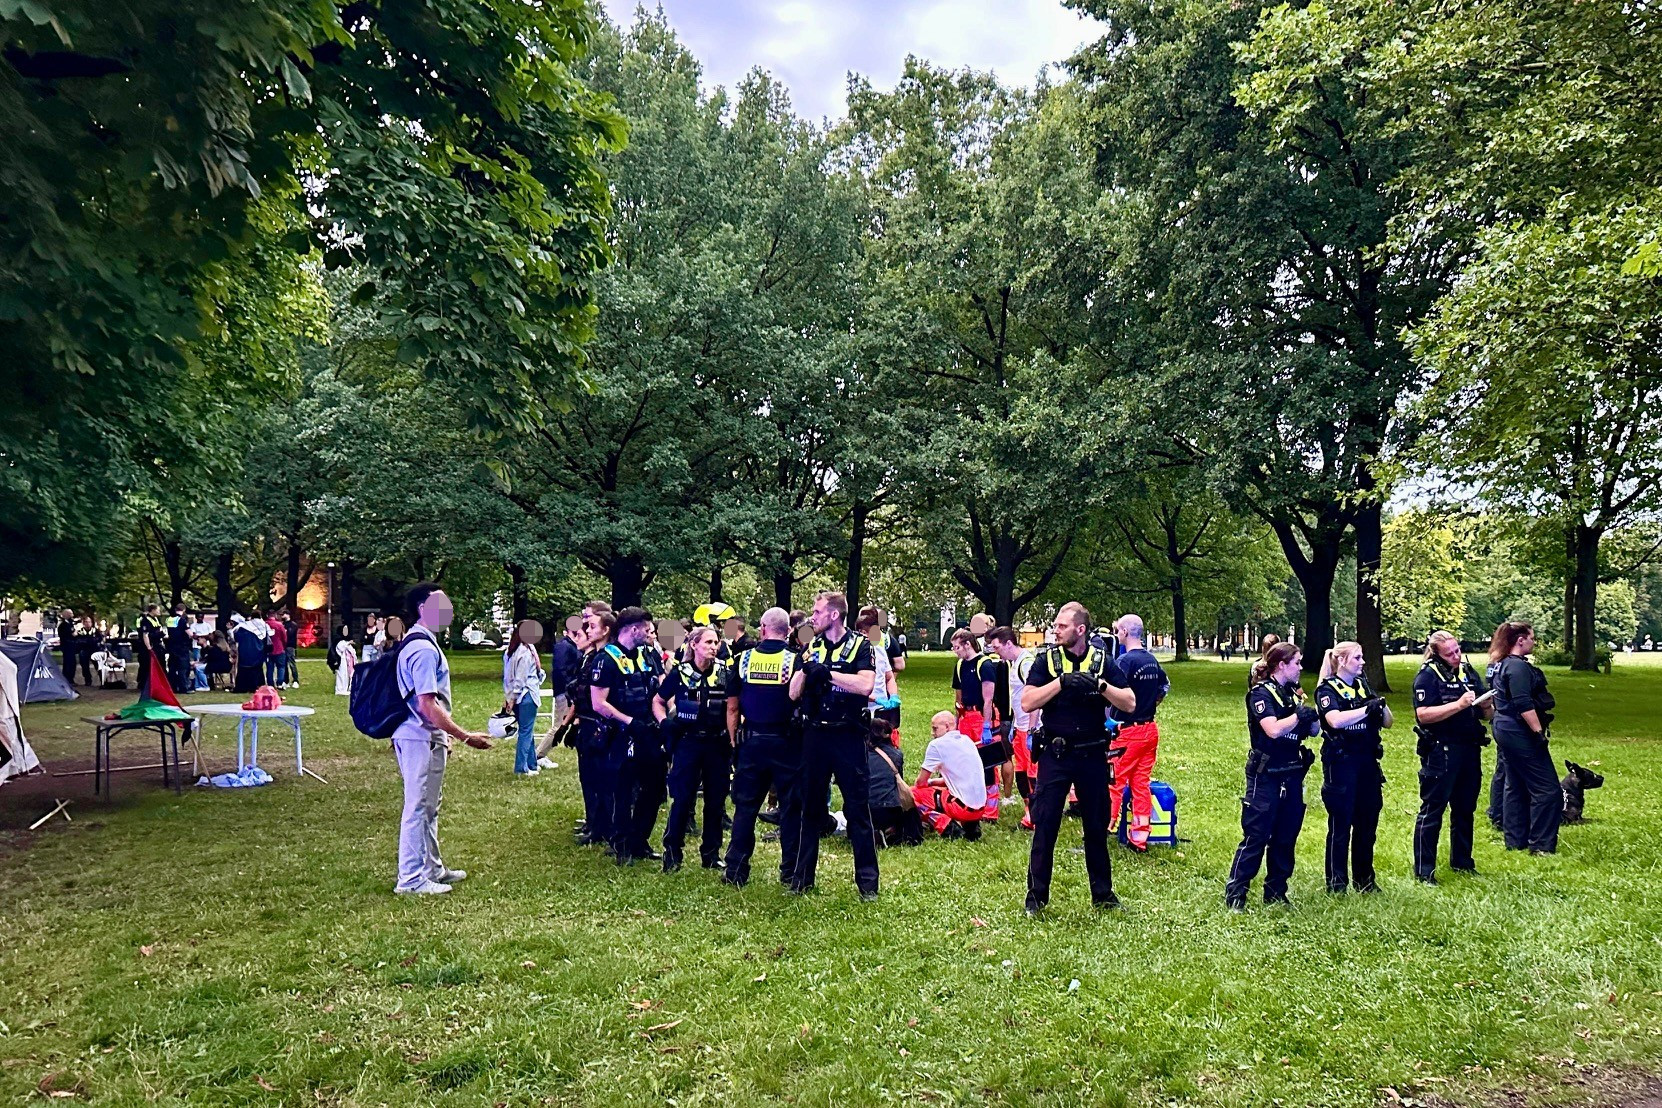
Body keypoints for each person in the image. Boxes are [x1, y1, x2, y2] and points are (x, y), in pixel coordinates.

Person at [1020, 602, 1126, 915]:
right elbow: (1027, 702)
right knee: (1046, 825)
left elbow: (1130, 701)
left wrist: (1101, 685)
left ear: (1080, 630)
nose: (1056, 630)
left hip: (1092, 753)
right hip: (1056, 753)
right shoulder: (1047, 660)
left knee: (1095, 827)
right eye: (1056, 625)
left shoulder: (1102, 661)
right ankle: (1036, 899)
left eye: (1062, 626)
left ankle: (1103, 895)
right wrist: (1061, 683)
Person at [391, 583, 492, 895]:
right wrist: (463, 736)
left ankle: (432, 868)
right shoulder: (421, 648)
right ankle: (410, 880)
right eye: (442, 605)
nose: (449, 611)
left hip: (426, 737)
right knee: (417, 806)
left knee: (429, 806)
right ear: (423, 608)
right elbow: (427, 704)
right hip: (418, 736)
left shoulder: (422, 642)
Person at [788, 591, 879, 899]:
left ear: (834, 615)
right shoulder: (810, 646)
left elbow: (865, 685)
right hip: (814, 734)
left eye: (817, 612)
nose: (813, 617)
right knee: (810, 808)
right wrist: (805, 671)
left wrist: (829, 675)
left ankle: (867, 884)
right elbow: (792, 693)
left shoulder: (860, 646)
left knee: (857, 808)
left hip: (846, 734)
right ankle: (802, 879)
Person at [1225, 641, 1322, 910]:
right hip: (1266, 773)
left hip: (1292, 770)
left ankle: (1277, 892)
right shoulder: (1261, 694)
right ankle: (1236, 894)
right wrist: (1296, 718)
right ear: (1281, 665)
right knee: (1257, 833)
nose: (1301, 668)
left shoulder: (1292, 694)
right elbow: (1273, 729)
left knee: (1286, 835)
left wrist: (1311, 715)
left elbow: (1314, 732)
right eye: (1297, 663)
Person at [723, 607, 806, 887]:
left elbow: (732, 707)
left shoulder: (743, 660)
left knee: (745, 808)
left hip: (753, 741)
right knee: (790, 810)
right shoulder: (795, 661)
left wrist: (735, 740)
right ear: (788, 631)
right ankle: (791, 872)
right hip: (787, 742)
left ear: (763, 627)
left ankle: (735, 870)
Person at [1412, 630, 1493, 882]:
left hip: (1469, 747)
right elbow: (1423, 714)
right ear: (1437, 654)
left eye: (1457, 650)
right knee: (1433, 808)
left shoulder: (1467, 672)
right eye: (1450, 653)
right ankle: (1425, 871)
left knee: (1465, 807)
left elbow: (1487, 714)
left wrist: (1486, 704)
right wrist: (1458, 704)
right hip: (1441, 749)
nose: (1456, 656)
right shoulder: (1427, 676)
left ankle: (1462, 862)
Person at [589, 606, 667, 865]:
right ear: (633, 629)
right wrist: (629, 722)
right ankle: (621, 845)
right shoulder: (605, 659)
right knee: (621, 791)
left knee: (655, 789)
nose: (649, 633)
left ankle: (639, 840)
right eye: (646, 629)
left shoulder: (649, 655)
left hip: (649, 731)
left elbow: (661, 686)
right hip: (620, 733)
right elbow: (599, 703)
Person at [654, 625, 734, 871]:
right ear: (694, 645)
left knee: (716, 800)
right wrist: (665, 722)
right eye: (708, 642)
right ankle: (672, 853)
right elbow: (657, 701)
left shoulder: (725, 673)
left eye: (716, 642)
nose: (713, 647)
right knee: (682, 798)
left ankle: (710, 854)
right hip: (688, 742)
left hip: (717, 743)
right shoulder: (680, 673)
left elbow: (734, 707)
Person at [1315, 641, 1392, 893]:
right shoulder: (1327, 690)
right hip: (1341, 761)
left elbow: (1389, 722)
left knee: (1367, 822)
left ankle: (1365, 879)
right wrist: (1364, 710)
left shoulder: (1362, 687)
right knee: (1341, 823)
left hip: (1367, 761)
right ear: (1342, 661)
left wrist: (1378, 704)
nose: (1362, 662)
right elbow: (1334, 720)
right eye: (1357, 658)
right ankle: (1336, 882)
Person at [1488, 621, 1560, 854]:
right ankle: (1540, 845)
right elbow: (1523, 703)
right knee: (1547, 789)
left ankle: (1515, 839)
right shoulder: (1517, 668)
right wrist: (1538, 732)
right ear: (1520, 640)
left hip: (1503, 726)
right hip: (1518, 730)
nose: (1534, 641)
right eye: (1531, 637)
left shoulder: (1500, 664)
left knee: (1515, 784)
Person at [1104, 615, 1170, 852]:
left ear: (1123, 632)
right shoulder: (1152, 660)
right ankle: (1139, 838)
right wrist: (1150, 704)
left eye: (1117, 630)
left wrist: (1108, 719)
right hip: (1149, 729)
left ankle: (1100, 833)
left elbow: (1113, 693)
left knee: (1112, 782)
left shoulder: (1125, 661)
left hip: (1127, 732)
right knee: (1140, 783)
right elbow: (1164, 687)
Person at [571, 605, 617, 847]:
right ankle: (595, 824)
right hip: (586, 723)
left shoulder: (606, 657)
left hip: (599, 725)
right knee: (589, 777)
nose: (586, 629)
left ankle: (605, 828)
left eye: (591, 625)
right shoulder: (592, 656)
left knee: (601, 779)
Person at [987, 626, 1040, 829]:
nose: (996, 651)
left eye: (997, 647)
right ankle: (1029, 813)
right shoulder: (1013, 663)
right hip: (1020, 726)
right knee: (1021, 771)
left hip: (1029, 728)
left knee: (1032, 774)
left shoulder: (1026, 664)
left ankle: (1036, 815)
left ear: (1009, 643)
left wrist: (1033, 729)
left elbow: (1034, 697)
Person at [913, 710, 991, 836]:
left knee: (912, 794)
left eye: (935, 729)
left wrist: (928, 783)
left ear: (947, 727)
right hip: (980, 809)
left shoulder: (937, 745)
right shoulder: (967, 741)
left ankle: (945, 825)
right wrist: (933, 782)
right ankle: (971, 825)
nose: (932, 733)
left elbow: (920, 783)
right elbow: (959, 779)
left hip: (960, 808)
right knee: (941, 789)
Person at [538, 615, 585, 771]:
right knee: (559, 724)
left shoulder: (572, 645)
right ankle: (538, 755)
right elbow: (560, 670)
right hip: (565, 692)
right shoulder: (564, 646)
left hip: (568, 690)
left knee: (563, 723)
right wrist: (568, 691)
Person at [503, 619, 546, 777]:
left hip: (520, 696)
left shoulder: (514, 650)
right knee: (525, 732)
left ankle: (531, 764)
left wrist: (509, 696)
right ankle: (521, 767)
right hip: (526, 695)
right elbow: (520, 680)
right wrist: (512, 698)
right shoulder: (525, 652)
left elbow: (508, 677)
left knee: (528, 730)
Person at [857, 607, 901, 742]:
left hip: (882, 711)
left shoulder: (880, 651)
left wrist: (893, 695)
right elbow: (856, 687)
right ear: (863, 633)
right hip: (863, 709)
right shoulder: (854, 655)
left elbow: (889, 678)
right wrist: (874, 698)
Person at [231, 614, 268, 694]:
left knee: (244, 670)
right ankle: (255, 686)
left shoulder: (243, 627)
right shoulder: (263, 626)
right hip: (258, 651)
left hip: (245, 651)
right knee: (256, 670)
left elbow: (236, 638)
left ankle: (243, 687)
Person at [136, 603, 165, 692]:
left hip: (157, 645)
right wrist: (149, 648)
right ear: (152, 610)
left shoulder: (155, 619)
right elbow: (145, 635)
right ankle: (144, 685)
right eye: (157, 609)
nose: (159, 611)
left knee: (160, 664)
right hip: (150, 647)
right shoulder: (146, 620)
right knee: (146, 666)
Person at [263, 609, 288, 689]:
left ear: (267, 615)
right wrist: (284, 646)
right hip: (279, 648)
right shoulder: (279, 625)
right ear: (275, 615)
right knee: (281, 667)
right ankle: (280, 683)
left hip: (268, 650)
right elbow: (284, 637)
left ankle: (270, 684)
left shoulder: (264, 624)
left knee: (270, 668)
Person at [332, 626, 356, 696]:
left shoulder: (346, 640)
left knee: (346, 675)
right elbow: (340, 648)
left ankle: (345, 689)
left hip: (347, 662)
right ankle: (340, 689)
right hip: (341, 661)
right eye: (344, 630)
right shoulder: (338, 640)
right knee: (341, 675)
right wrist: (348, 644)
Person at [56, 609, 77, 687]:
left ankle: (71, 678)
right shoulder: (63, 625)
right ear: (66, 615)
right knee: (68, 663)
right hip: (67, 646)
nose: (72, 615)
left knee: (72, 663)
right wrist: (72, 634)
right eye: (71, 614)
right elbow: (65, 635)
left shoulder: (71, 624)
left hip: (72, 646)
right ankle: (67, 678)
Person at [280, 609, 301, 689]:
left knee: (291, 663)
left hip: (290, 646)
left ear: (287, 615)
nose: (282, 616)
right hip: (283, 646)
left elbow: (290, 634)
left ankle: (295, 680)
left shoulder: (293, 625)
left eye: (283, 614)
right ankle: (286, 680)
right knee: (284, 664)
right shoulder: (282, 624)